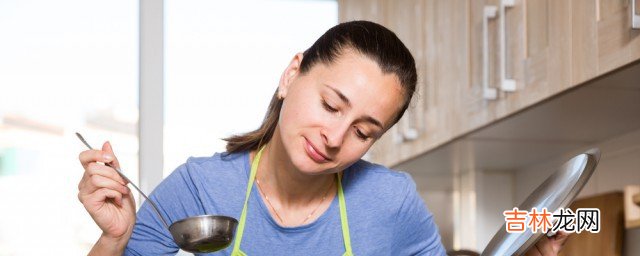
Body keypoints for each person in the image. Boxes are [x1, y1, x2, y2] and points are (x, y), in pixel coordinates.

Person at [78, 20, 568, 255]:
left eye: (363, 130)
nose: (334, 137)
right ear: (293, 74)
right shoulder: (196, 189)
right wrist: (114, 237)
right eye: (331, 104)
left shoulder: (390, 202)